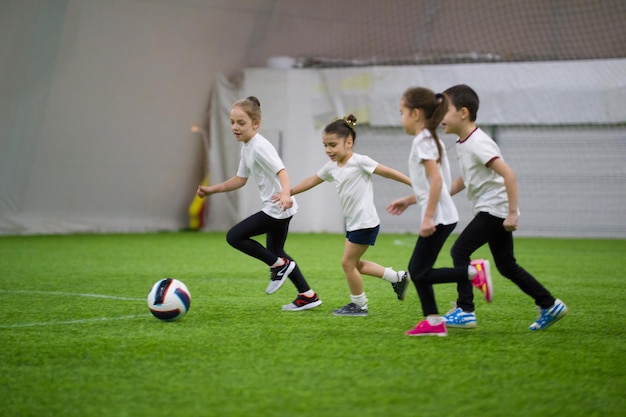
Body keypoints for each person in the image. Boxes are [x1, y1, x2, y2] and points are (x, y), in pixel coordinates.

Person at [441, 84, 568, 330]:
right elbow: (466, 178)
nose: (439, 117)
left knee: (459, 251)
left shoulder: (478, 143)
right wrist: (442, 194)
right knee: (506, 265)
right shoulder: (463, 143)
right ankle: (549, 304)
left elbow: (509, 175)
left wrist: (512, 213)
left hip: (495, 210)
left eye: (444, 110)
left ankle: (465, 310)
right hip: (493, 209)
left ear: (463, 113)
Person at [196, 96, 322, 311]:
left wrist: (285, 194)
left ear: (256, 124)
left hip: (278, 208)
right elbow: (240, 179)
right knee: (276, 252)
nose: (235, 127)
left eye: (241, 123)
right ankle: (307, 295)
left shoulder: (260, 146)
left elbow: (281, 171)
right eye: (232, 122)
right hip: (281, 208)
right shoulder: (247, 147)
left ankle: (279, 266)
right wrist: (212, 190)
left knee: (235, 236)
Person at [387, 87, 493, 337]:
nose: (400, 118)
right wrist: (410, 200)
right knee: (418, 270)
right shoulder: (430, 138)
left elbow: (435, 183)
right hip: (442, 215)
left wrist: (426, 218)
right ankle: (433, 322)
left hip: (438, 218)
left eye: (401, 112)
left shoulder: (423, 140)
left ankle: (472, 272)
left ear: (415, 114)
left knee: (419, 272)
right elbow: (438, 185)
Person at [283, 115, 412, 317]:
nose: (328, 150)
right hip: (354, 224)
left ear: (349, 142)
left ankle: (359, 305)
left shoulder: (360, 162)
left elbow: (387, 172)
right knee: (355, 264)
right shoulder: (332, 167)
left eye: (332, 145)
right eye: (325, 145)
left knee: (347, 264)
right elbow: (312, 180)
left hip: (365, 222)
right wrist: (289, 191)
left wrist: (413, 183)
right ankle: (397, 278)